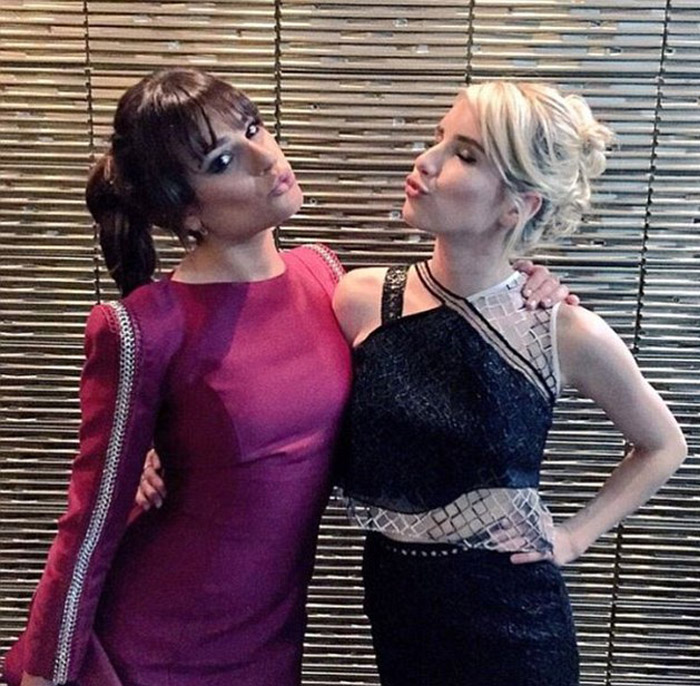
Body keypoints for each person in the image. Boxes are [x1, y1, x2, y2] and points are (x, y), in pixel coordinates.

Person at [2, 68, 569, 686]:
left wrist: (527, 288)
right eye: (223, 161)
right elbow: (88, 523)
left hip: (271, 640)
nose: (265, 157)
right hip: (159, 641)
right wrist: (47, 673)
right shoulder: (141, 327)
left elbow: (427, 351)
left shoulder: (325, 277)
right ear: (185, 208)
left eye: (253, 129)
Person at [331, 82, 687, 686]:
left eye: (465, 154)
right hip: (398, 609)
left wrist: (573, 538)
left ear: (515, 208)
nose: (426, 161)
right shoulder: (360, 299)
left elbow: (664, 446)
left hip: (516, 623)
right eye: (439, 138)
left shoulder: (559, 327)